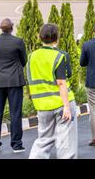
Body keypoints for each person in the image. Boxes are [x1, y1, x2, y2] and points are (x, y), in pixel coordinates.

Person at [28, 24, 77, 159]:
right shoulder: (59, 56)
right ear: (57, 38)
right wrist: (67, 106)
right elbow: (61, 82)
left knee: (43, 141)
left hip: (42, 105)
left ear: (40, 37)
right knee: (65, 143)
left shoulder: (32, 56)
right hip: (61, 104)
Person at [0, 18, 27, 154]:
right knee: (15, 113)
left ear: (0, 28)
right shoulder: (18, 41)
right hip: (14, 81)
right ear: (12, 27)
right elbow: (24, 60)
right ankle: (16, 145)